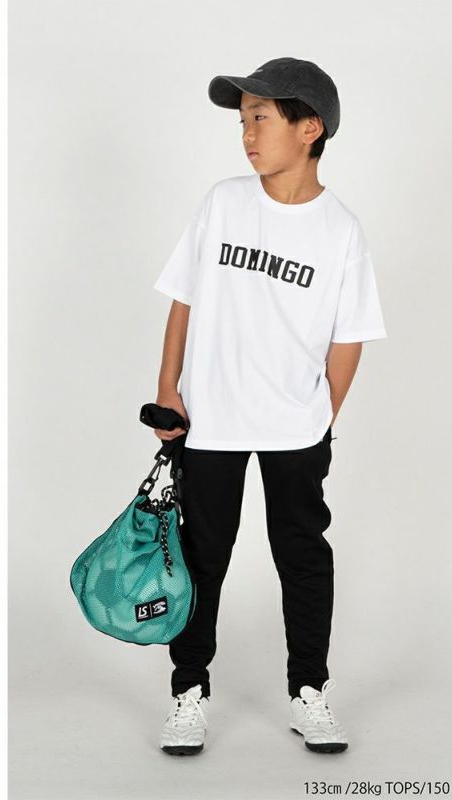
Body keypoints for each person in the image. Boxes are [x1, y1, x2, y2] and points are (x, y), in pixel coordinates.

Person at [152, 57, 387, 756]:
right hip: (211, 419)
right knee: (202, 556)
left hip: (296, 426)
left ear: (310, 128)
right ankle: (188, 692)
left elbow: (349, 336)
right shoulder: (223, 203)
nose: (247, 134)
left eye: (260, 118)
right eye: (243, 120)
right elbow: (183, 299)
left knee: (302, 556)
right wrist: (168, 389)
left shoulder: (340, 230)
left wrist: (322, 417)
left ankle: (309, 690)